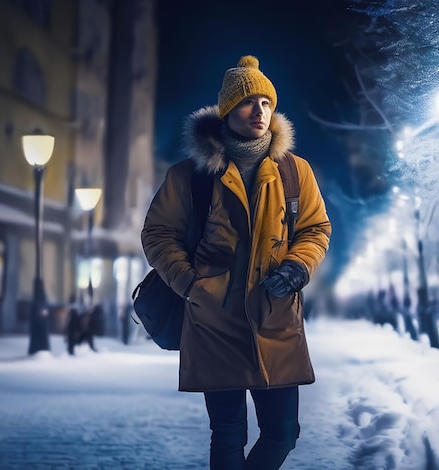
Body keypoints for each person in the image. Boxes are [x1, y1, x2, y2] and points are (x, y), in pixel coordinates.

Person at [141, 55, 331, 469]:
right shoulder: (189, 175)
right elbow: (157, 234)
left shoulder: (296, 172)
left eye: (266, 102)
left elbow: (316, 229)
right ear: (228, 111)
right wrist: (191, 285)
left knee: (283, 433)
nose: (259, 111)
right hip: (213, 320)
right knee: (228, 434)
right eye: (249, 102)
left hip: (274, 317)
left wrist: (298, 266)